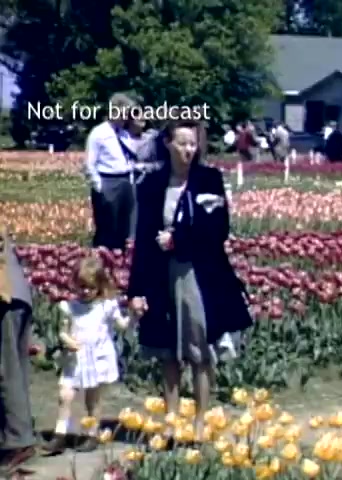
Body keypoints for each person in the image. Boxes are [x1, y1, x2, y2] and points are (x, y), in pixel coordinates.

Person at [127, 120, 253, 438]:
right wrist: (136, 290)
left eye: (193, 143)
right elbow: (142, 240)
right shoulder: (152, 184)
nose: (188, 149)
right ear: (168, 143)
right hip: (159, 275)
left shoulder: (209, 179)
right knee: (166, 349)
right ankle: (171, 421)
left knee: (199, 348)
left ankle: (199, 421)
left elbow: (217, 230)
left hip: (198, 273)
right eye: (182, 143)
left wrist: (178, 240)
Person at [41, 256, 131, 455]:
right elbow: (63, 331)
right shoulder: (70, 307)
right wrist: (68, 341)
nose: (85, 291)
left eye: (90, 287)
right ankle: (60, 434)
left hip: (97, 358)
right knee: (65, 395)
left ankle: (92, 433)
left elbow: (122, 326)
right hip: (75, 358)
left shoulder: (106, 307)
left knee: (93, 400)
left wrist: (134, 315)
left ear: (99, 286)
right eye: (81, 286)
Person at [0, 232, 37, 475]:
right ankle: (15, 433)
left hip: (6, 295)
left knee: (6, 369)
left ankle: (18, 441)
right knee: (14, 367)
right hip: (13, 293)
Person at [85, 93, 138, 250]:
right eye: (124, 114)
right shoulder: (98, 133)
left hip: (126, 181)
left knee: (124, 226)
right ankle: (102, 258)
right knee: (107, 226)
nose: (126, 119)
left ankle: (120, 258)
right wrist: (99, 186)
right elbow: (90, 163)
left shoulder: (124, 134)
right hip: (108, 181)